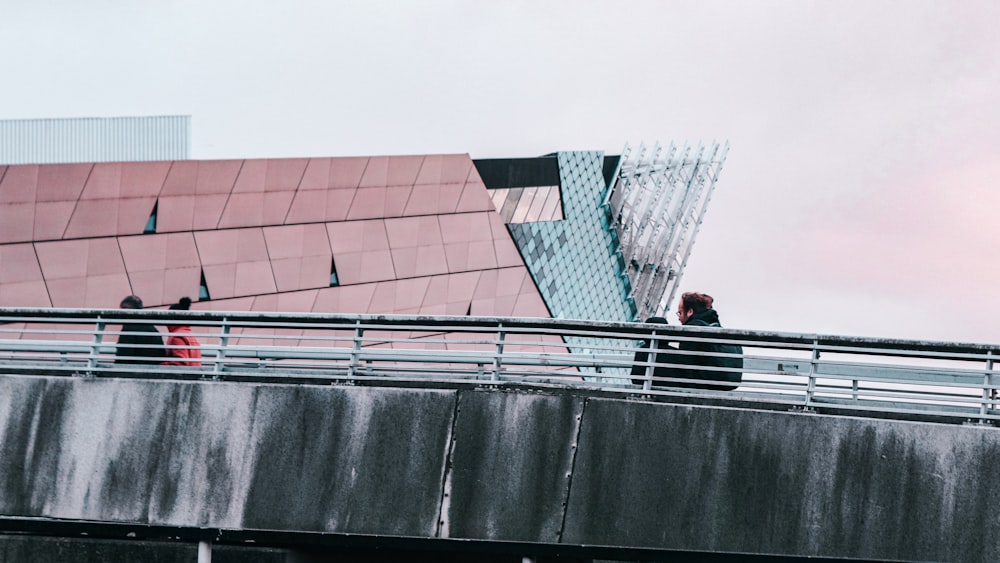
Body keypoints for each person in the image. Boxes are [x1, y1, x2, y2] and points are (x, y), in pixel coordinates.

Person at [631, 292, 742, 390]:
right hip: (725, 384)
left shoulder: (693, 328)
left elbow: (686, 363)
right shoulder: (721, 330)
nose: (679, 318)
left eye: (680, 313)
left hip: (705, 383)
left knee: (649, 349)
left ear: (689, 311)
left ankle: (643, 384)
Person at [115, 295, 166, 364]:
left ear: (126, 309)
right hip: (154, 370)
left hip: (132, 370)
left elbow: (124, 355)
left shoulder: (129, 328)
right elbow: (161, 355)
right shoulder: (153, 329)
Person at [162, 297, 202, 367]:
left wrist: (161, 365)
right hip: (194, 375)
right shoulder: (189, 334)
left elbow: (180, 363)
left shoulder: (177, 337)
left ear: (172, 318)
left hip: (184, 376)